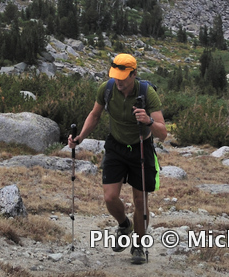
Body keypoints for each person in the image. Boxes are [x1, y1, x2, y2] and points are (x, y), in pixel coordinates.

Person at [68, 53, 166, 264]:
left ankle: (138, 245)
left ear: (134, 74)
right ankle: (124, 224)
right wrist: (80, 138)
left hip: (141, 147)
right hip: (116, 146)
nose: (119, 81)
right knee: (110, 197)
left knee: (140, 201)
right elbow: (95, 115)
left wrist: (148, 121)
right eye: (115, 76)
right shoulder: (107, 88)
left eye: (123, 77)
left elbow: (163, 133)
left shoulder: (147, 93)